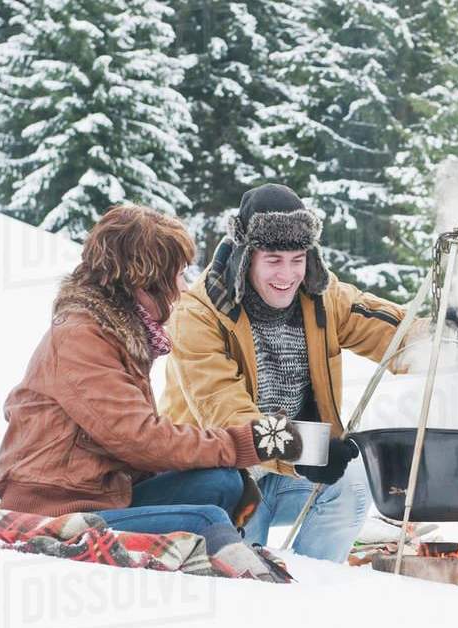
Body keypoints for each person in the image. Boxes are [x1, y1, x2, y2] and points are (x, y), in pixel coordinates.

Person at [0, 205, 301, 581]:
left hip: (104, 492)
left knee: (223, 481)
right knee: (205, 520)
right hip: (59, 508)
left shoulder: (118, 335)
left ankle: (222, 551)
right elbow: (139, 439)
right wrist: (244, 442)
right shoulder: (82, 338)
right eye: (177, 274)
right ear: (144, 279)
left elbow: (136, 447)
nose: (183, 287)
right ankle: (251, 582)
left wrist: (242, 447)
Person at [159, 184, 415, 563]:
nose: (288, 274)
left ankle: (314, 578)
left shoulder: (320, 298)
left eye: (298, 259)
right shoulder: (199, 315)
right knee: (247, 573)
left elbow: (389, 331)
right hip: (221, 478)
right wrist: (307, 449)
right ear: (246, 257)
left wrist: (448, 332)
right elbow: (226, 415)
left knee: (351, 485)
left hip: (283, 470)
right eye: (274, 259)